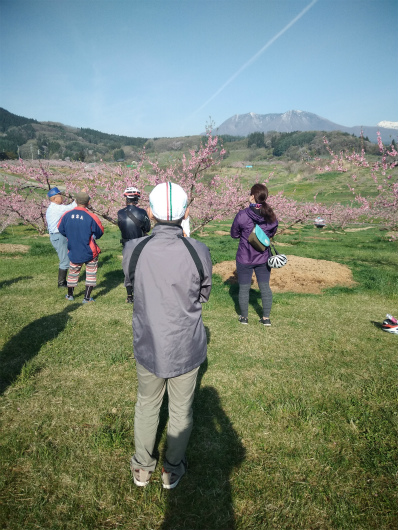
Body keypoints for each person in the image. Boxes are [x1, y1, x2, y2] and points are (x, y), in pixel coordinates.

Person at [122, 181, 212, 489]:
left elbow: (131, 288)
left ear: (150, 211)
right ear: (186, 212)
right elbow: (204, 293)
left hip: (148, 342)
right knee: (181, 409)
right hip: (186, 345)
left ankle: (142, 468)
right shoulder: (197, 249)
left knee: (147, 403)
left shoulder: (134, 248)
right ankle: (172, 469)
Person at [231, 183, 278, 326]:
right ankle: (266, 319)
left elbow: (234, 234)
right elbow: (272, 232)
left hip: (244, 257)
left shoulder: (242, 215)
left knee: (244, 288)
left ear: (252, 196)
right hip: (263, 257)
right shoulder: (270, 215)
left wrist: (245, 235)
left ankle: (244, 318)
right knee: (264, 287)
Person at [58, 191, 104, 304]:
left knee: (73, 272)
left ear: (76, 202)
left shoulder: (66, 215)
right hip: (90, 251)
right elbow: (100, 231)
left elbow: (60, 228)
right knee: (91, 274)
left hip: (73, 249)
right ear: (88, 202)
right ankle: (87, 298)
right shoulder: (92, 216)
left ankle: (70, 295)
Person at [117, 187, 151, 303]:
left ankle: (129, 295)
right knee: (141, 268)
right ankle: (142, 292)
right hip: (141, 243)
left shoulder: (120, 213)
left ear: (126, 199)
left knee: (128, 268)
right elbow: (147, 228)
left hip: (127, 243)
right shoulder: (142, 212)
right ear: (137, 199)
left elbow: (121, 227)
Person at [45, 187, 76, 287]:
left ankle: (63, 281)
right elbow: (70, 208)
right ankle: (61, 283)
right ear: (54, 199)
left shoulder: (53, 207)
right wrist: (80, 197)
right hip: (58, 236)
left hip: (56, 236)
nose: (62, 198)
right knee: (65, 260)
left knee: (65, 258)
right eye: (60, 196)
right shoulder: (56, 208)